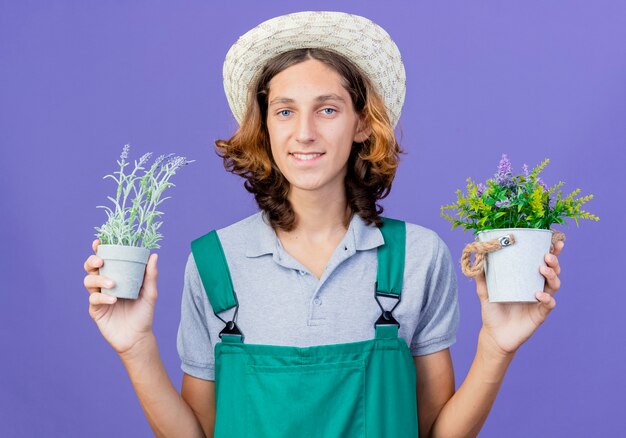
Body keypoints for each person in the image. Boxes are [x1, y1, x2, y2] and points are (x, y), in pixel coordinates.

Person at [82, 11, 564, 438]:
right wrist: (136, 346)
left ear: (360, 124)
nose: (305, 132)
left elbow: (436, 432)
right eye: (285, 110)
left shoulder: (417, 256)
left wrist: (496, 347)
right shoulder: (214, 262)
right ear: (265, 127)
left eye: (327, 109)